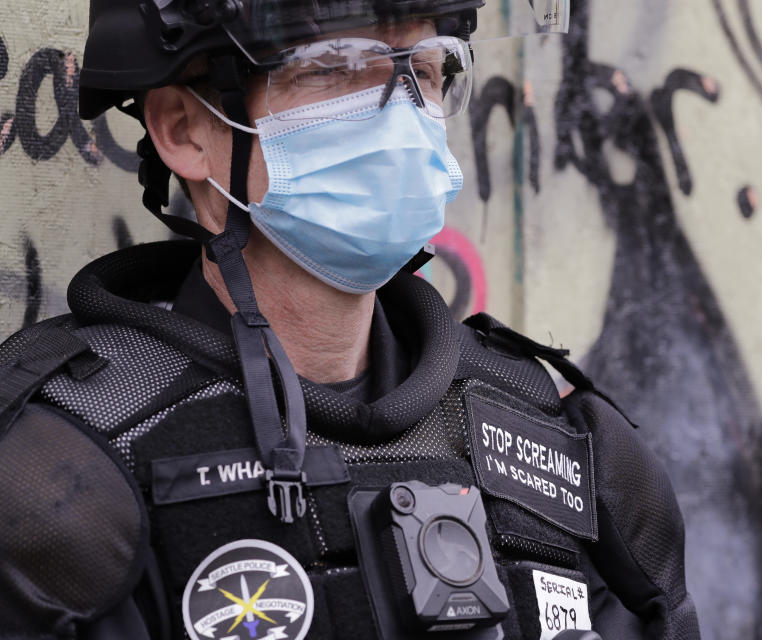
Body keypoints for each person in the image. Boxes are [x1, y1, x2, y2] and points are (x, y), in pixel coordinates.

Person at [0, 1, 700, 638]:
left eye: (424, 69)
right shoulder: (61, 479)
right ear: (185, 130)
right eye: (335, 69)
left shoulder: (569, 441)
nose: (400, 120)